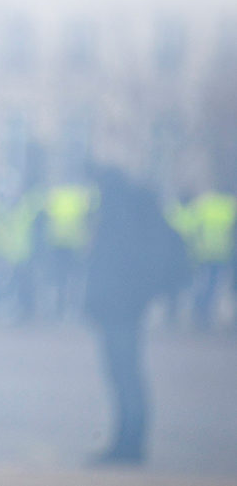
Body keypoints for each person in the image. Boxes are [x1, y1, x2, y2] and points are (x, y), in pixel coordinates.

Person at [85, 165, 190, 464]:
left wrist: (126, 297)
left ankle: (129, 445)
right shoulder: (129, 211)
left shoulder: (122, 215)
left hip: (121, 307)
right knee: (123, 375)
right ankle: (126, 442)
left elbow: (117, 263)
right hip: (123, 305)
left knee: (125, 375)